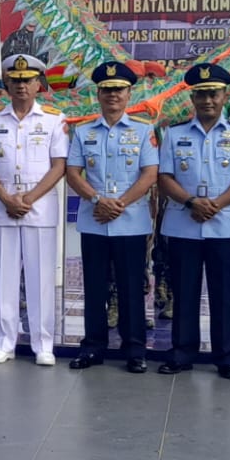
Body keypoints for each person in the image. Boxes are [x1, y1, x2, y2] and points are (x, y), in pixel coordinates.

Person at [156, 63, 230, 380]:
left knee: (224, 294)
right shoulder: (174, 134)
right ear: (193, 98)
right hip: (184, 223)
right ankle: (182, 352)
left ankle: (226, 357)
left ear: (224, 95)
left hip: (224, 224)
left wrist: (215, 204)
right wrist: (190, 201)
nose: (207, 101)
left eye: (213, 94)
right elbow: (164, 177)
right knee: (184, 292)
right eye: (201, 95)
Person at [65, 61, 159, 373]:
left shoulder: (144, 131)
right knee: (93, 286)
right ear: (98, 94)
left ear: (129, 93)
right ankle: (93, 347)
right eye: (106, 89)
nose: (112, 94)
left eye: (118, 89)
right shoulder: (83, 131)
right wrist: (96, 199)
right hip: (94, 219)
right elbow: (72, 172)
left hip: (129, 220)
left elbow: (149, 174)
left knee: (131, 287)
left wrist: (118, 203)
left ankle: (134, 349)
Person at [0, 54, 68, 365]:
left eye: (27, 80)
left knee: (40, 279)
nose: (21, 86)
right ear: (6, 84)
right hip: (2, 207)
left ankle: (43, 344)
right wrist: (6, 198)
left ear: (38, 83)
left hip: (39, 208)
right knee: (2, 279)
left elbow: (59, 166)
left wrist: (28, 199)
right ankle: (3, 342)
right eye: (15, 81)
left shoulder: (54, 120)